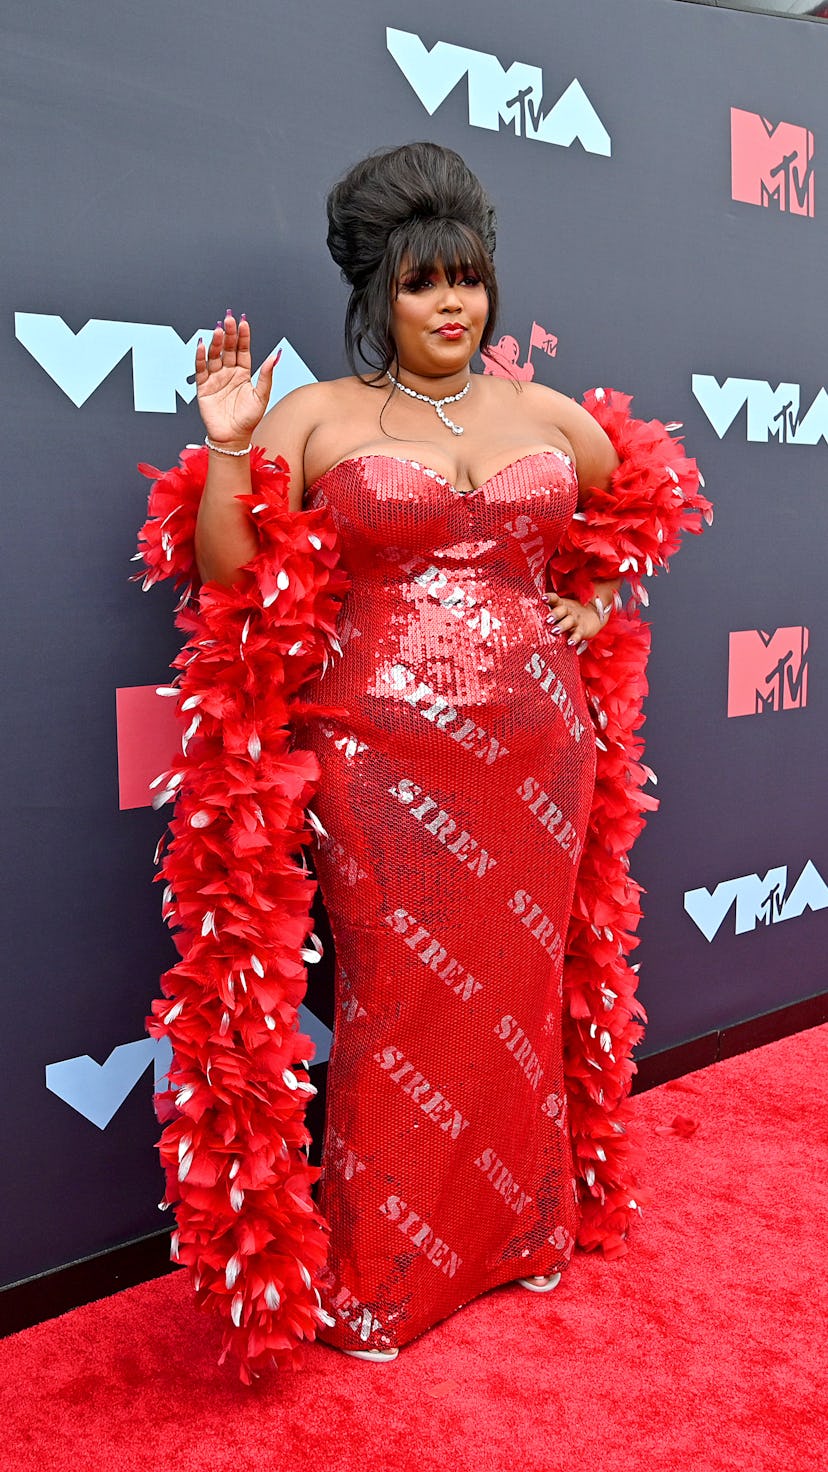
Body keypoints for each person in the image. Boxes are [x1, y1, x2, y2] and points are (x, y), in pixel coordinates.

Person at [137, 141, 709, 1379]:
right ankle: (387, 1270)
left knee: (520, 986)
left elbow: (639, 503)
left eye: (469, 278)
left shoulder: (545, 414)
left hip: (537, 754)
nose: (452, 304)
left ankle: (524, 1225)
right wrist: (228, 443)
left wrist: (599, 595)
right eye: (421, 282)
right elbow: (234, 574)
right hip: (376, 756)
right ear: (377, 292)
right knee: (397, 1002)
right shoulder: (317, 415)